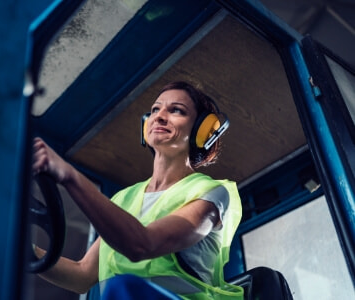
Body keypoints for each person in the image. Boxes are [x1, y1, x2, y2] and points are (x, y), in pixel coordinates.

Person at [32, 81, 243, 299]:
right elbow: (82, 275)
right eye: (155, 110)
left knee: (122, 287)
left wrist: (69, 175)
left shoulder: (211, 193)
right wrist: (28, 251)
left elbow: (142, 244)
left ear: (202, 129)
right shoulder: (123, 198)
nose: (159, 116)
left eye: (176, 110)